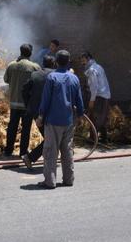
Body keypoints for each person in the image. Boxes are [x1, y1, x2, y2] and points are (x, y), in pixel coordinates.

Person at [36, 50, 84, 189]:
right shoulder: (74, 78)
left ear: (56, 61)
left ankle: (50, 181)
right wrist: (80, 115)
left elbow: (45, 100)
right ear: (68, 62)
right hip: (69, 121)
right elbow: (79, 100)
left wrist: (40, 116)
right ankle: (69, 180)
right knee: (67, 151)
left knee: (51, 151)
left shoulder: (52, 77)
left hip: (53, 121)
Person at [3, 44, 41, 157]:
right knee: (26, 128)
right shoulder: (35, 67)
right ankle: (23, 152)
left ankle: (8, 150)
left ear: (20, 52)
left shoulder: (11, 65)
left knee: (12, 127)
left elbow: (5, 80)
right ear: (31, 53)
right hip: (27, 104)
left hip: (14, 103)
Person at [21, 55, 56, 169]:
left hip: (36, 112)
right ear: (54, 64)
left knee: (51, 137)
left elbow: (24, 90)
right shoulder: (56, 75)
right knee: (52, 138)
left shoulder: (35, 75)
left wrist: (29, 105)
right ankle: (30, 158)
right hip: (51, 112)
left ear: (43, 63)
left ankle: (47, 157)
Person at [80, 52, 111, 143]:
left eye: (83, 59)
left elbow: (94, 86)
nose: (82, 62)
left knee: (95, 117)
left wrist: (92, 100)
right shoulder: (98, 66)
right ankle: (104, 138)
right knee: (103, 117)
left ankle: (93, 139)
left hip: (99, 96)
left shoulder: (91, 70)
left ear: (88, 58)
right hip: (105, 95)